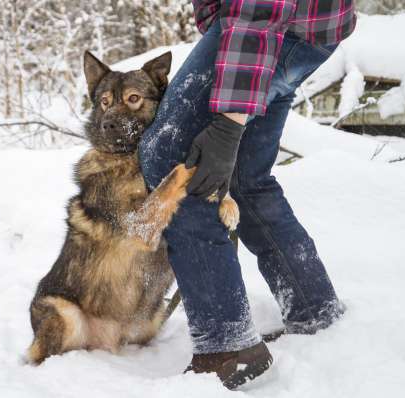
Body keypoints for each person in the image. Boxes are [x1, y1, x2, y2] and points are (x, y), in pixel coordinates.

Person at [138, 0, 356, 389]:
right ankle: (312, 308)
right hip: (306, 28)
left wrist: (229, 122)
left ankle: (226, 345)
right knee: (245, 177)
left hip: (266, 24)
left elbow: (262, 7)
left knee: (172, 158)